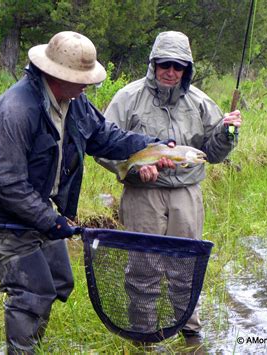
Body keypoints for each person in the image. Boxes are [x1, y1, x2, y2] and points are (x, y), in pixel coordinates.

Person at [0, 31, 174, 354]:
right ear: (57, 75)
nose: (87, 85)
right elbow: (6, 184)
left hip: (36, 203)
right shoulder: (15, 111)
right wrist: (51, 219)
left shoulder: (74, 102)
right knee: (31, 289)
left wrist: (151, 147)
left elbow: (105, 137)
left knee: (59, 280)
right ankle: (22, 350)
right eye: (82, 79)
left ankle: (30, 339)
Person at [97, 31, 242, 343]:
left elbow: (212, 155)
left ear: (187, 69)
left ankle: (190, 334)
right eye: (165, 64)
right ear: (153, 63)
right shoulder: (127, 98)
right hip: (142, 196)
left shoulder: (202, 103)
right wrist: (134, 173)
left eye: (179, 66)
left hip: (186, 197)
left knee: (185, 268)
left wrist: (228, 134)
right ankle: (144, 337)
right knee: (143, 268)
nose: (171, 71)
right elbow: (102, 147)